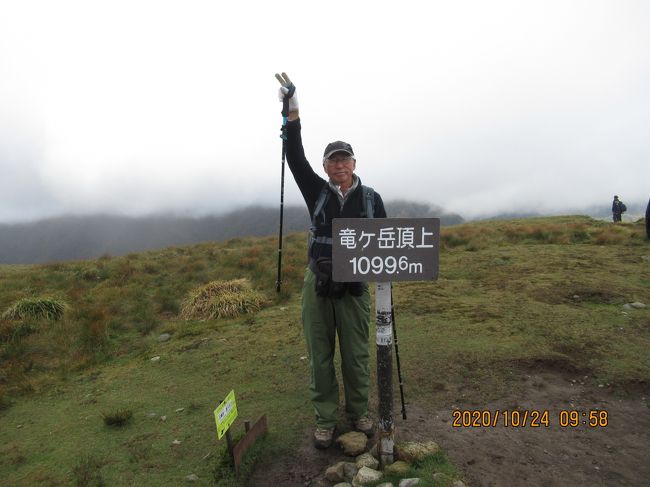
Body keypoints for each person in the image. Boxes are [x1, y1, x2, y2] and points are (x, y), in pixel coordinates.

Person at [275, 72, 387, 449]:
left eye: (345, 160)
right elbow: (294, 156)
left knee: (355, 354)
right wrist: (293, 112)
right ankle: (325, 419)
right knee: (319, 355)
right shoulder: (316, 192)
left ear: (354, 163)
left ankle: (358, 412)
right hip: (318, 284)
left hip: (354, 287)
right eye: (332, 161)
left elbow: (386, 246)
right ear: (325, 167)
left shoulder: (371, 199)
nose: (339, 166)